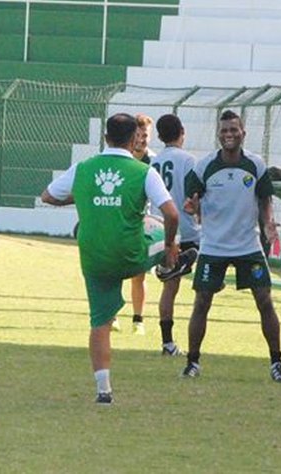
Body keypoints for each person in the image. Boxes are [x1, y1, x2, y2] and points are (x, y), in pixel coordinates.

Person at [41, 113, 179, 405]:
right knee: (158, 227)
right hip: (131, 255)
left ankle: (103, 390)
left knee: (100, 322)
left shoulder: (83, 168)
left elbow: (48, 196)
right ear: (133, 140)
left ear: (105, 138)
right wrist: (169, 245)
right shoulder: (144, 172)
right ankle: (167, 263)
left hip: (94, 257)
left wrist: (84, 196)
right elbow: (172, 214)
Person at [181, 109, 281, 383]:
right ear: (218, 135)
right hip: (213, 246)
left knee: (264, 301)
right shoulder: (204, 166)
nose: (229, 135)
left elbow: (265, 199)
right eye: (224, 131)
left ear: (243, 133)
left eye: (234, 130)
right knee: (201, 302)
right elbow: (191, 201)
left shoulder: (256, 165)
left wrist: (269, 223)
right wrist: (192, 207)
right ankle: (192, 362)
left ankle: (277, 363)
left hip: (247, 245)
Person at [149, 113, 200, 356]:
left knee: (170, 288)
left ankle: (167, 344)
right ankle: (189, 260)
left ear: (158, 136)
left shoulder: (154, 162)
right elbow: (195, 194)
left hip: (162, 230)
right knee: (208, 253)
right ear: (183, 131)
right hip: (187, 229)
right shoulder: (188, 160)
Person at [118, 113, 155, 335]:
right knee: (113, 272)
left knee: (138, 275)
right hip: (120, 222)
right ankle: (112, 315)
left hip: (143, 224)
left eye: (146, 135)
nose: (142, 139)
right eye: (139, 135)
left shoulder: (154, 161)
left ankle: (138, 319)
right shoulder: (123, 160)